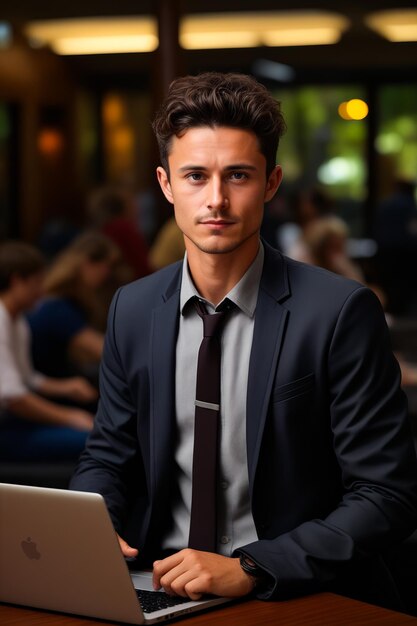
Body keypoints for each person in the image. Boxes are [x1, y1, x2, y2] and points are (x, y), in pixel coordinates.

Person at [70, 73, 417, 608]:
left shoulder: (339, 311)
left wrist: (253, 568)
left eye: (237, 175)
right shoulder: (132, 309)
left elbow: (386, 494)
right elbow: (109, 455)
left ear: (271, 183)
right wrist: (92, 524)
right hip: (161, 587)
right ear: (165, 185)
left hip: (297, 593)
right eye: (194, 176)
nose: (216, 199)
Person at [0, 241, 97, 461]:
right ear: (17, 281)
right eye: (36, 283)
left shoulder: (17, 321)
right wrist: (68, 417)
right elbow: (13, 396)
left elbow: (27, 379)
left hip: (11, 419)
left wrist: (66, 387)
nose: (42, 291)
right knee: (93, 440)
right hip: (6, 426)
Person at [27, 231, 118, 379]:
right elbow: (104, 351)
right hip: (50, 386)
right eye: (106, 266)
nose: (107, 274)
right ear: (87, 264)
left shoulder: (58, 300)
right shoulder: (57, 307)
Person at [88, 185, 152, 280]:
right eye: (132, 201)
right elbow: (142, 268)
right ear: (125, 205)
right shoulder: (123, 229)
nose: (137, 207)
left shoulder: (102, 229)